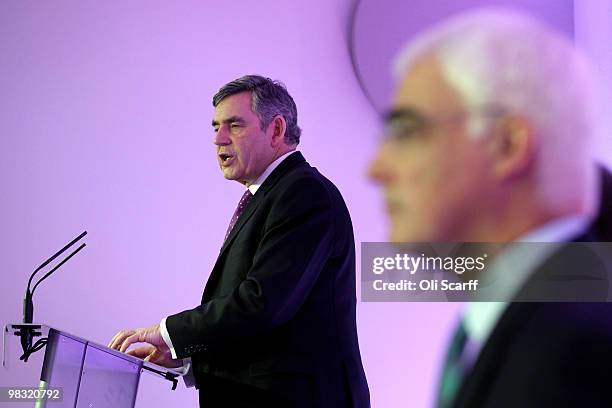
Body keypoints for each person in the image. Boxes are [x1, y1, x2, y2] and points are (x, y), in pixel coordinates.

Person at [367, 8, 612, 408]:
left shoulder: (575, 352)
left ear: (507, 145)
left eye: (407, 131)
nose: (376, 169)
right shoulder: (528, 322)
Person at [108, 75, 370, 407]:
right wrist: (189, 360)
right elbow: (265, 332)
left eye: (234, 125)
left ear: (275, 130)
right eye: (216, 126)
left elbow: (261, 305)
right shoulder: (271, 195)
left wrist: (169, 333)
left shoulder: (304, 193)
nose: (218, 139)